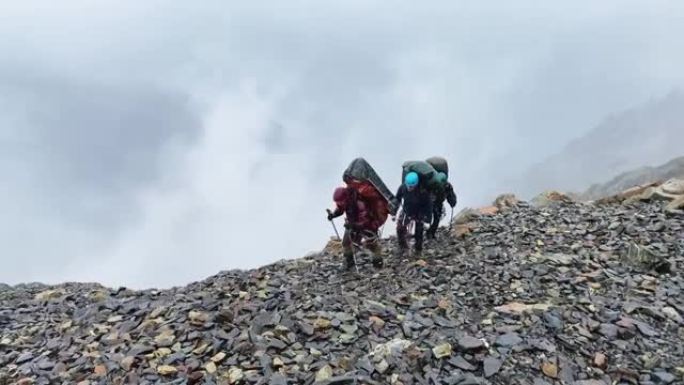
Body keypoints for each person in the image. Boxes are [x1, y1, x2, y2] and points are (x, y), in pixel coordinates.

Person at [327, 186, 383, 271]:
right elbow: (340, 209)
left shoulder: (359, 203)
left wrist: (353, 225)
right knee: (346, 243)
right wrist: (333, 215)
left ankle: (378, 263)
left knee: (371, 245)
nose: (340, 204)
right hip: (352, 224)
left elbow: (365, 220)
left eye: (340, 202)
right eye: (338, 202)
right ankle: (349, 263)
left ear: (345, 197)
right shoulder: (344, 200)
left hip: (367, 226)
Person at [394, 172, 433, 256]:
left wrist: (428, 218)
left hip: (419, 212)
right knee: (400, 228)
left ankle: (418, 250)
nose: (409, 188)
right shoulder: (402, 187)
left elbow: (428, 205)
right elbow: (397, 199)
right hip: (407, 210)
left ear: (416, 184)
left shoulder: (423, 192)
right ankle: (402, 246)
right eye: (407, 185)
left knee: (419, 232)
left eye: (411, 186)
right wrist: (394, 210)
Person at [426, 172, 457, 239]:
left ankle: (431, 233)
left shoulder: (447, 186)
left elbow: (451, 196)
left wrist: (452, 202)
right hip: (431, 203)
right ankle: (428, 232)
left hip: (438, 203)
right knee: (434, 217)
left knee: (437, 218)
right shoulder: (433, 184)